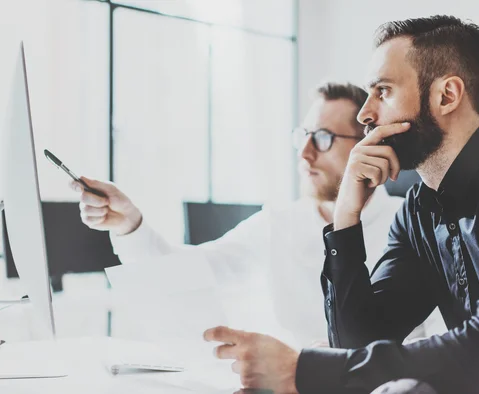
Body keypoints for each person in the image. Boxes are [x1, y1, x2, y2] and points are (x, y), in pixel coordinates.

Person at [203, 15, 479, 394]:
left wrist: (301, 369)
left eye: (384, 91)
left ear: (446, 95)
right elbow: (358, 343)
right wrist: (345, 217)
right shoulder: (417, 212)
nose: (365, 114)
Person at [73, 82, 444, 347]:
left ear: (369, 144)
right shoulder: (278, 223)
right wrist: (128, 225)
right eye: (303, 136)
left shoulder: (412, 224)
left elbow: (444, 340)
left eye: (324, 139)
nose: (305, 154)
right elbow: (189, 270)